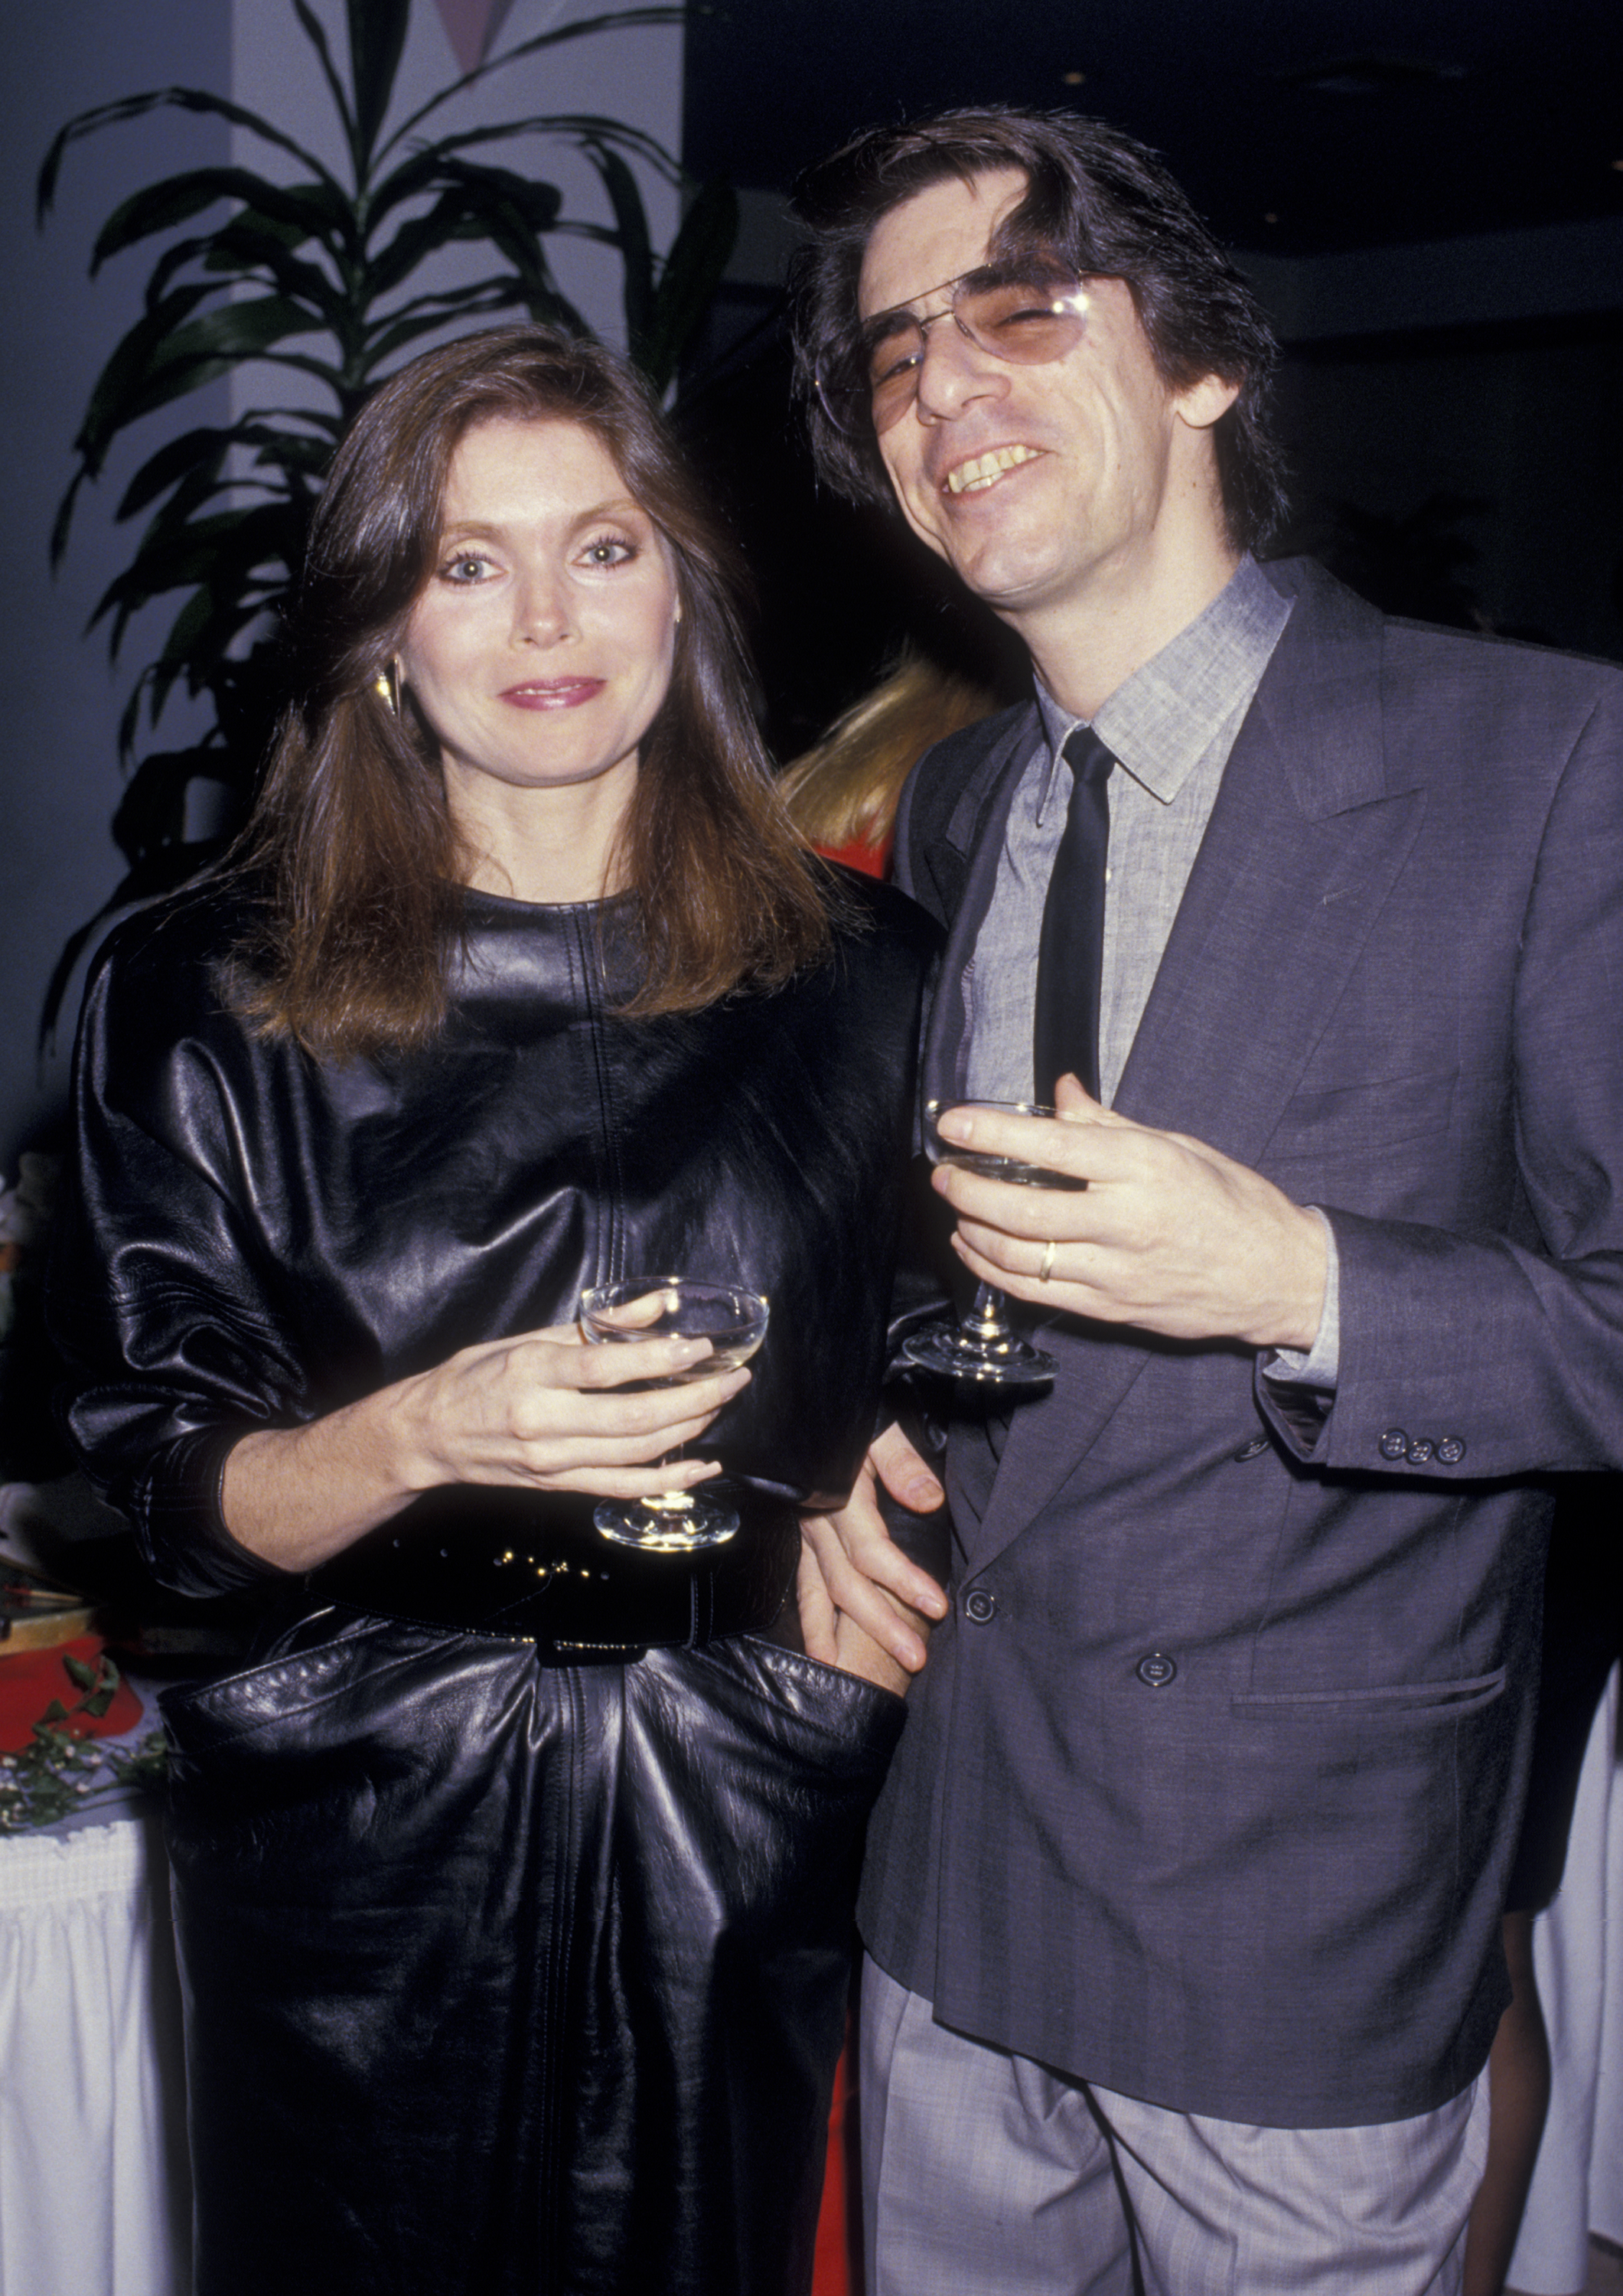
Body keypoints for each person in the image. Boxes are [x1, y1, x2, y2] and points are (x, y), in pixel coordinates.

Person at [788, 106, 1623, 2294]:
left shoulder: (1548, 761)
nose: (941, 388)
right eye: (896, 352)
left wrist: (1294, 1277)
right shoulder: (957, 804)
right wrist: (850, 1453)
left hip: (1290, 1914)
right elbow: (940, 1281)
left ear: (1205, 363)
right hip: (956, 1865)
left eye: (1015, 313)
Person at [48, 325, 939, 2296]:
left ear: (683, 593)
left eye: (603, 548)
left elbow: (945, 1362)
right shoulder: (207, 991)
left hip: (744, 1781)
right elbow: (170, 1493)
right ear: (384, 628)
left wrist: (886, 1521)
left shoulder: (870, 972)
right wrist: (425, 1433)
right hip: (356, 1813)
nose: (548, 617)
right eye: (468, 562)